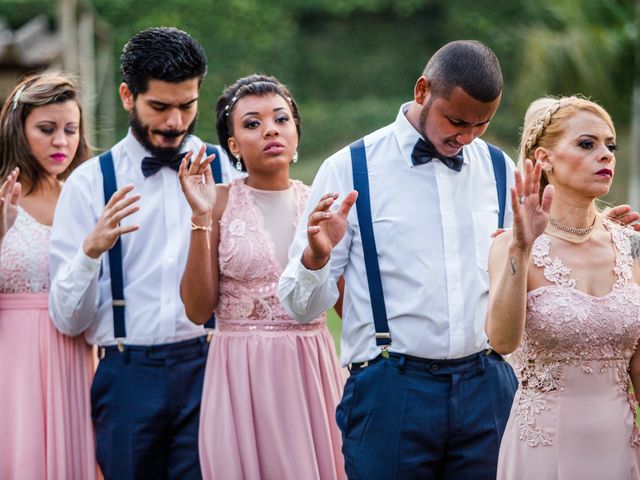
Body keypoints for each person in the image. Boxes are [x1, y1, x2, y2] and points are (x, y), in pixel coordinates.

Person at [278, 39, 521, 479]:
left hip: (488, 388)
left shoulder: (500, 169)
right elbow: (300, 308)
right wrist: (316, 257)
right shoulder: (349, 167)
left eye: (482, 124)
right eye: (457, 120)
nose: (466, 137)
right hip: (390, 391)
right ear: (422, 90)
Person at [48, 27, 239, 479]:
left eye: (187, 105)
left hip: (212, 365)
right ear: (127, 96)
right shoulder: (89, 183)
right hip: (127, 375)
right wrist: (90, 252)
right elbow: (67, 319)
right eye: (160, 106)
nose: (175, 122)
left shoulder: (227, 167)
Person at [179, 74, 346, 480]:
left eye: (281, 119)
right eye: (252, 123)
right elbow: (198, 309)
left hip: (311, 367)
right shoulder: (216, 202)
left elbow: (348, 307)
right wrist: (199, 218)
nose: (270, 129)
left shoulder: (321, 204)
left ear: (295, 133)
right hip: (241, 373)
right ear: (233, 145)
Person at [486, 96, 640, 479]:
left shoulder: (631, 244)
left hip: (620, 446)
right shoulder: (510, 243)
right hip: (544, 448)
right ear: (545, 159)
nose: (605, 154)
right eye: (587, 144)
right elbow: (502, 341)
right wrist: (521, 248)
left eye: (610, 145)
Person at [0, 72, 96, 479]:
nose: (61, 142)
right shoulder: (1, 199)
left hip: (76, 355)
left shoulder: (87, 198)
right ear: (19, 131)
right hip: (12, 362)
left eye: (70, 129)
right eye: (47, 129)